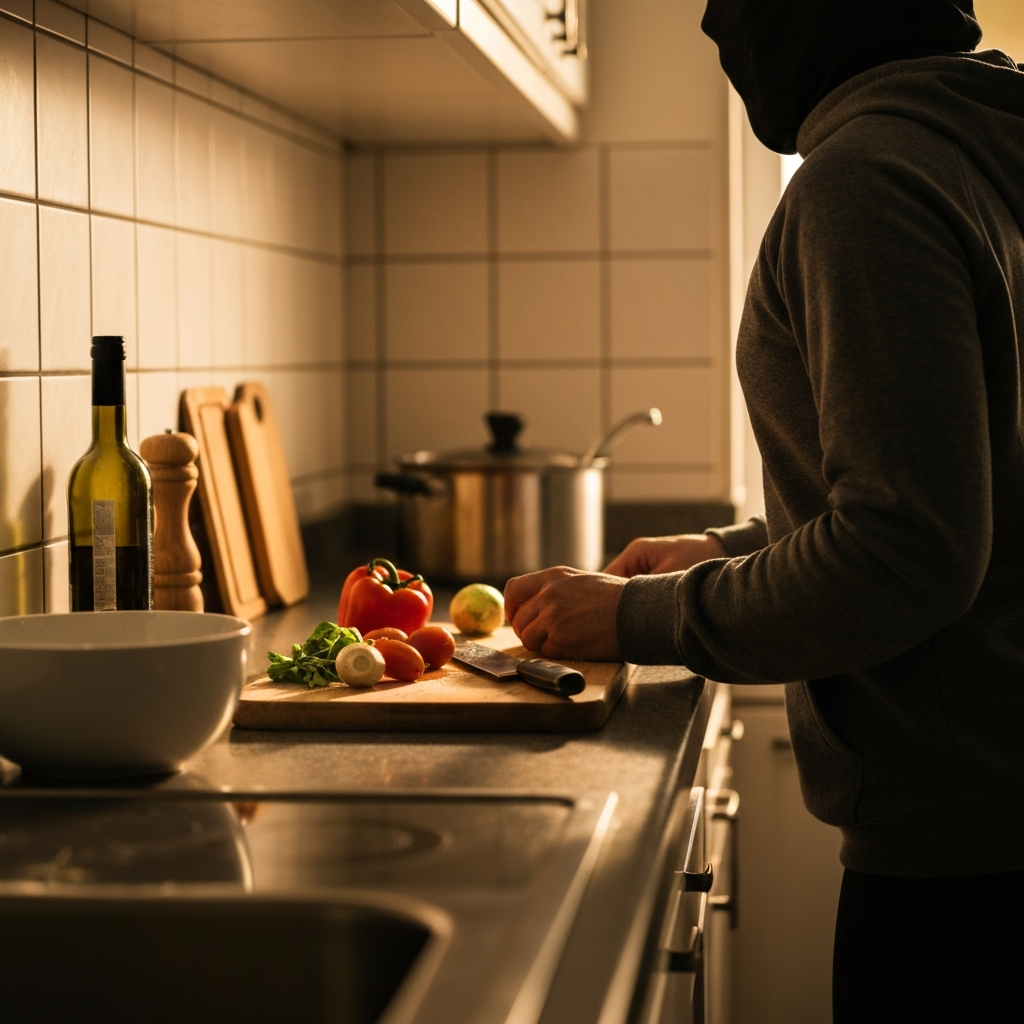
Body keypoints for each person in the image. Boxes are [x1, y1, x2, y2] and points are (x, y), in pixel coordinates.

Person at [503, 1, 1024, 1018]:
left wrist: (638, 616)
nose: (709, 23)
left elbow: (906, 551)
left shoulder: (866, 179)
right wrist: (735, 549)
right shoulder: (984, 144)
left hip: (963, 869)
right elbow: (979, 487)